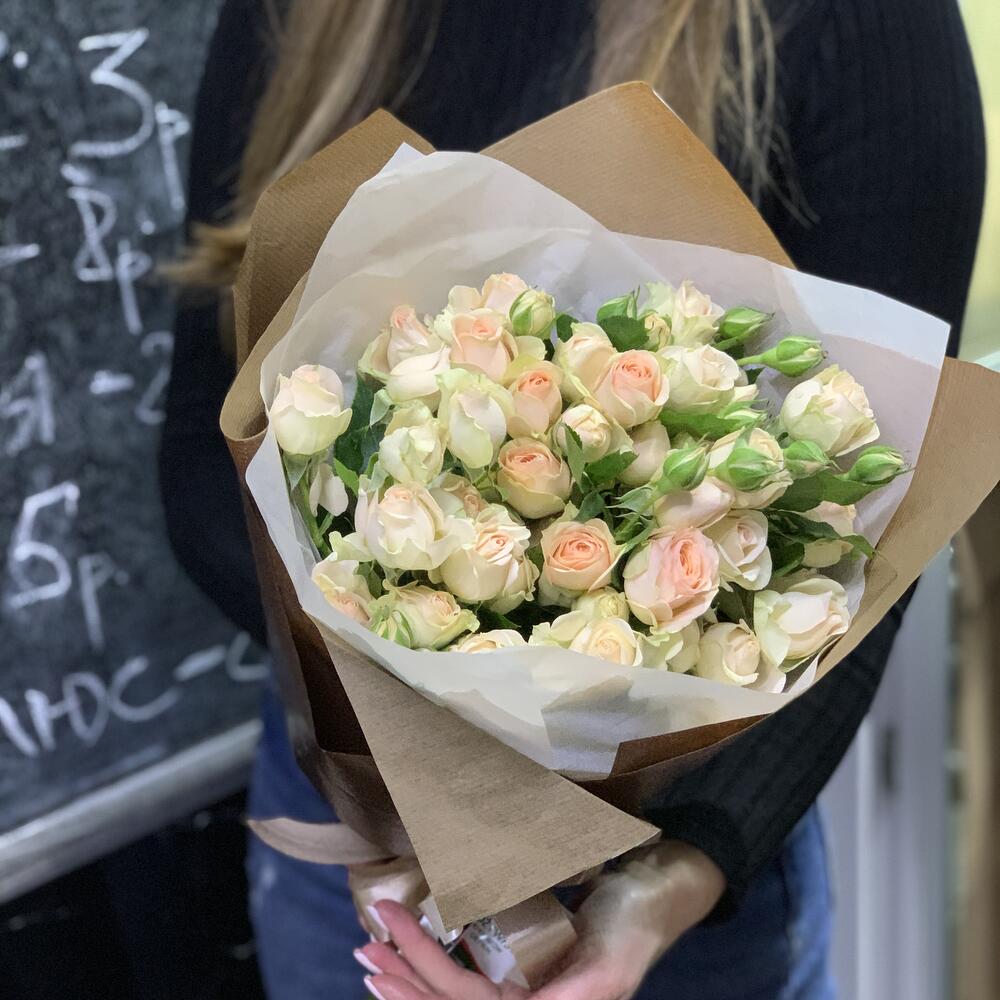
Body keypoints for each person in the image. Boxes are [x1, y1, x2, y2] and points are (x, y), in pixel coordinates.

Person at [160, 1, 985, 997]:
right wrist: (416, 770)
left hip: (668, 876)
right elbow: (201, 454)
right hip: (350, 835)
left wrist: (666, 878)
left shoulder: (853, 25)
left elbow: (870, 544)